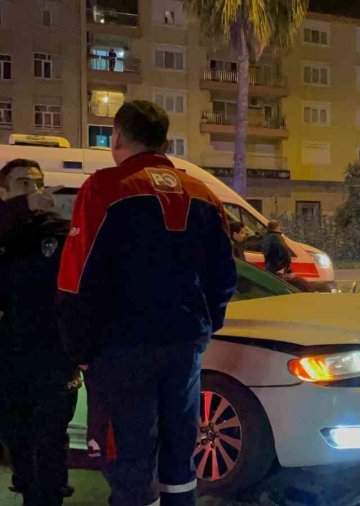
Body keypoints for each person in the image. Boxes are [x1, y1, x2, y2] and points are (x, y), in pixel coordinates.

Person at [57, 100, 237, 505]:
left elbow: (77, 278)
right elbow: (225, 276)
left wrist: (79, 350)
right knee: (179, 459)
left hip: (121, 351)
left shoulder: (104, 188)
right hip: (183, 348)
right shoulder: (203, 193)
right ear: (165, 141)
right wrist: (205, 328)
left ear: (116, 136)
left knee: (130, 463)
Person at [0, 160, 78, 505]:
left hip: (52, 359)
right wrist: (22, 208)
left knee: (49, 446)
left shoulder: (56, 230)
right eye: (22, 184)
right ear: (4, 193)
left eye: (37, 184)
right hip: (8, 361)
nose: (33, 191)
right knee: (17, 441)